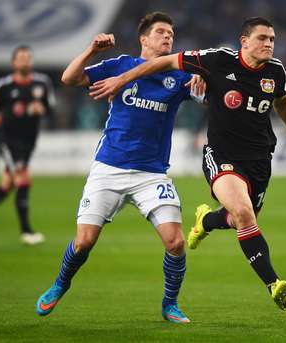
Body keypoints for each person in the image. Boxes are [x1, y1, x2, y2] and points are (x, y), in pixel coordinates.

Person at [89, 16, 286, 311]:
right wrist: (123, 78)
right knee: (243, 213)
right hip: (221, 155)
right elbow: (163, 64)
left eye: (272, 39)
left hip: (259, 158)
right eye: (262, 38)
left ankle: (205, 221)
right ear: (244, 41)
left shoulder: (275, 71)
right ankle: (273, 283)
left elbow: (280, 100)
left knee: (240, 218)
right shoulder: (215, 60)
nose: (269, 44)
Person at [35, 12, 206, 323]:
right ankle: (60, 283)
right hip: (108, 169)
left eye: (171, 33)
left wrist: (202, 82)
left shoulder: (178, 76)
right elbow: (69, 78)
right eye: (161, 32)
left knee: (176, 242)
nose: (168, 37)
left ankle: (170, 304)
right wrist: (91, 50)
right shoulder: (120, 65)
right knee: (84, 241)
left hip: (151, 173)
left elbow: (203, 96)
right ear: (144, 38)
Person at [0, 45, 55, 245]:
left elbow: (50, 109)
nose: (25, 60)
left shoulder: (42, 83)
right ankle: (26, 231)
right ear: (14, 62)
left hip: (29, 141)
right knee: (23, 178)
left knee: (7, 183)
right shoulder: (4, 86)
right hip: (8, 140)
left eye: (28, 57)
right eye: (21, 57)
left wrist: (41, 109)